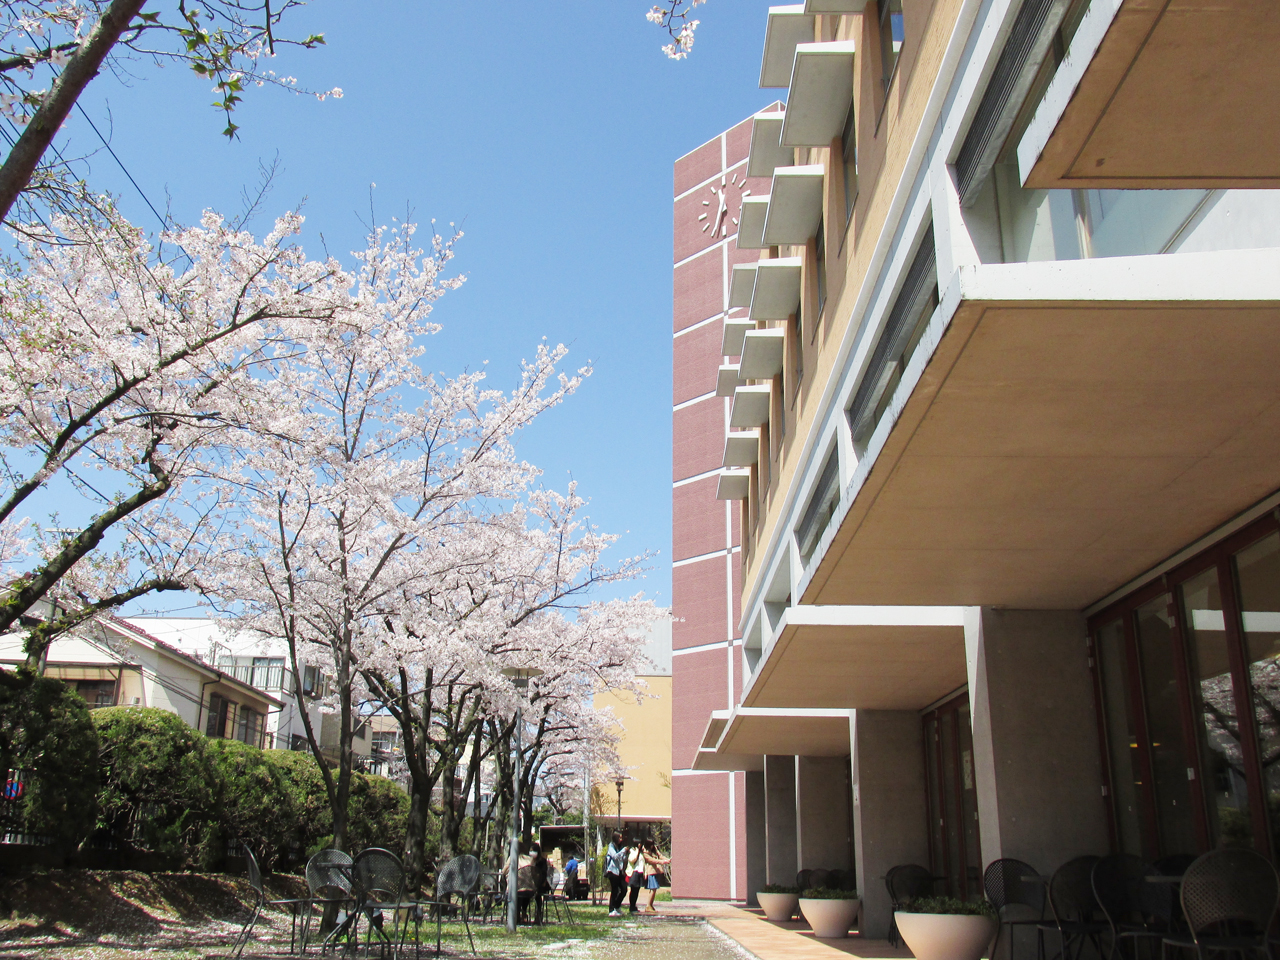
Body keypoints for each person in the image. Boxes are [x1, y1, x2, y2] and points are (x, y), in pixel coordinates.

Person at [639, 840, 671, 912]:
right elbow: (652, 860)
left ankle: (650, 905)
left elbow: (660, 856)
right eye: (651, 845)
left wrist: (667, 860)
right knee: (653, 888)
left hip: (656, 871)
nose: (652, 846)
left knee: (654, 889)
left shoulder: (654, 849)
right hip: (650, 872)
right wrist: (662, 862)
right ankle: (648, 905)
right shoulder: (645, 852)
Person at [604, 832, 629, 917]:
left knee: (624, 889)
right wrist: (623, 851)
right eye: (620, 838)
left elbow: (622, 858)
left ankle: (617, 906)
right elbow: (614, 856)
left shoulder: (620, 847)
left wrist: (625, 854)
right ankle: (611, 910)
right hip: (612, 871)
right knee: (614, 890)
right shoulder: (611, 846)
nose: (621, 839)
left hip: (620, 871)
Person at [626, 840, 645, 913]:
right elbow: (632, 860)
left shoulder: (641, 853)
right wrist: (637, 851)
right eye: (639, 843)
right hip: (634, 872)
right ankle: (631, 906)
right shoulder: (632, 851)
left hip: (640, 872)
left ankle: (634, 905)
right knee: (633, 890)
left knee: (637, 890)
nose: (640, 845)